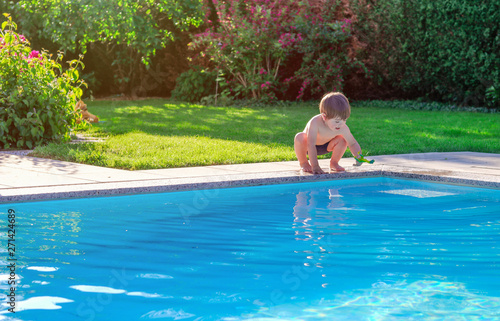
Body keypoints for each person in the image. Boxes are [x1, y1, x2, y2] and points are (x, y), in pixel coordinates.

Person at [294, 92, 362, 174]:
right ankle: (303, 163)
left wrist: (358, 156)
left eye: (344, 120)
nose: (341, 124)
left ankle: (334, 163)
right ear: (324, 116)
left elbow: (352, 143)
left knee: (343, 139)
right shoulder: (315, 122)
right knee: (300, 137)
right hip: (309, 146)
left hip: (327, 146)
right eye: (337, 121)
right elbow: (310, 144)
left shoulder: (342, 127)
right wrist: (315, 166)